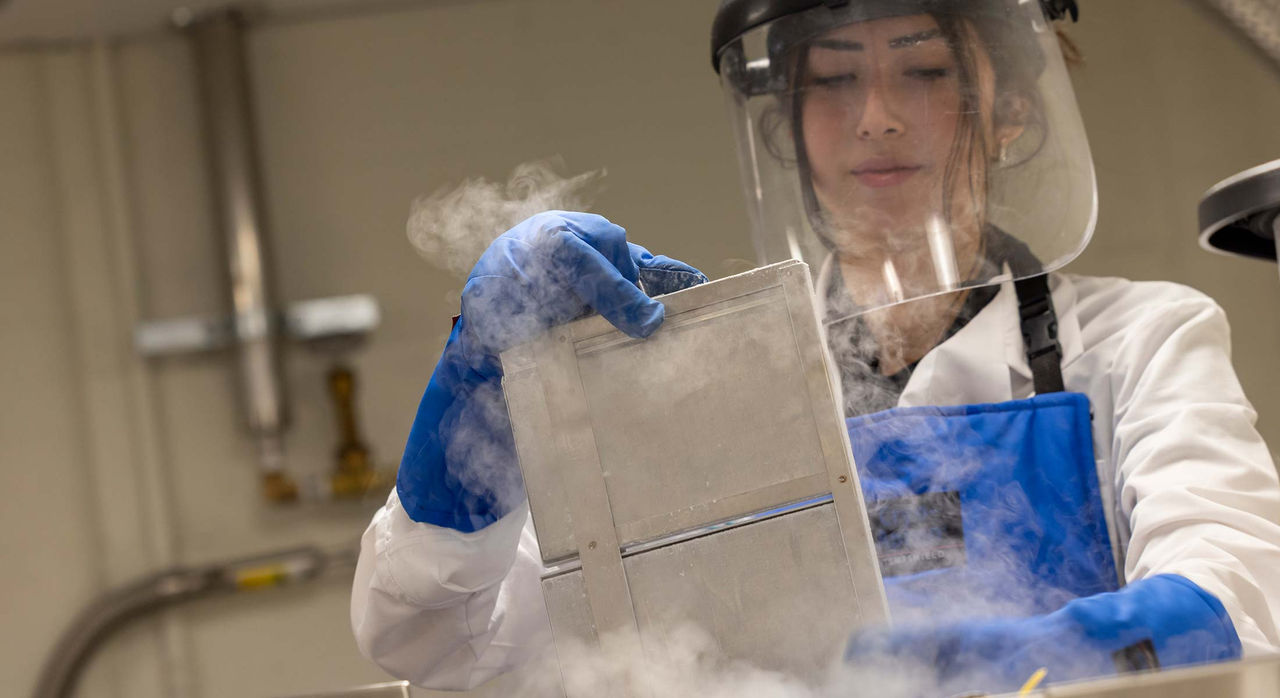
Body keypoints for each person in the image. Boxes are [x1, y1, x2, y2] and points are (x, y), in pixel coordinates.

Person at [351, 0, 1280, 693]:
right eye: (833, 79)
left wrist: (1049, 659)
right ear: (783, 124)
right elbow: (441, 650)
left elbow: (1243, 600)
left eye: (925, 71)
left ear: (1009, 112)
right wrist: (477, 390)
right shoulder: (689, 384)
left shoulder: (1136, 341)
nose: (875, 115)